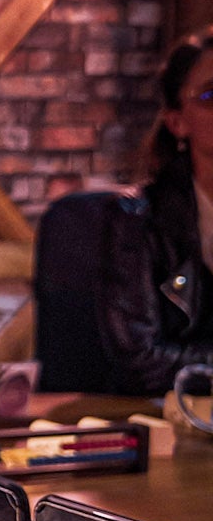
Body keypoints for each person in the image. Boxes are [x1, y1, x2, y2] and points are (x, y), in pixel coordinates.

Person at [96, 26, 213, 393]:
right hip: (170, 425)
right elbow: (140, 359)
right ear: (177, 121)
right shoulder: (137, 220)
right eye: (212, 95)